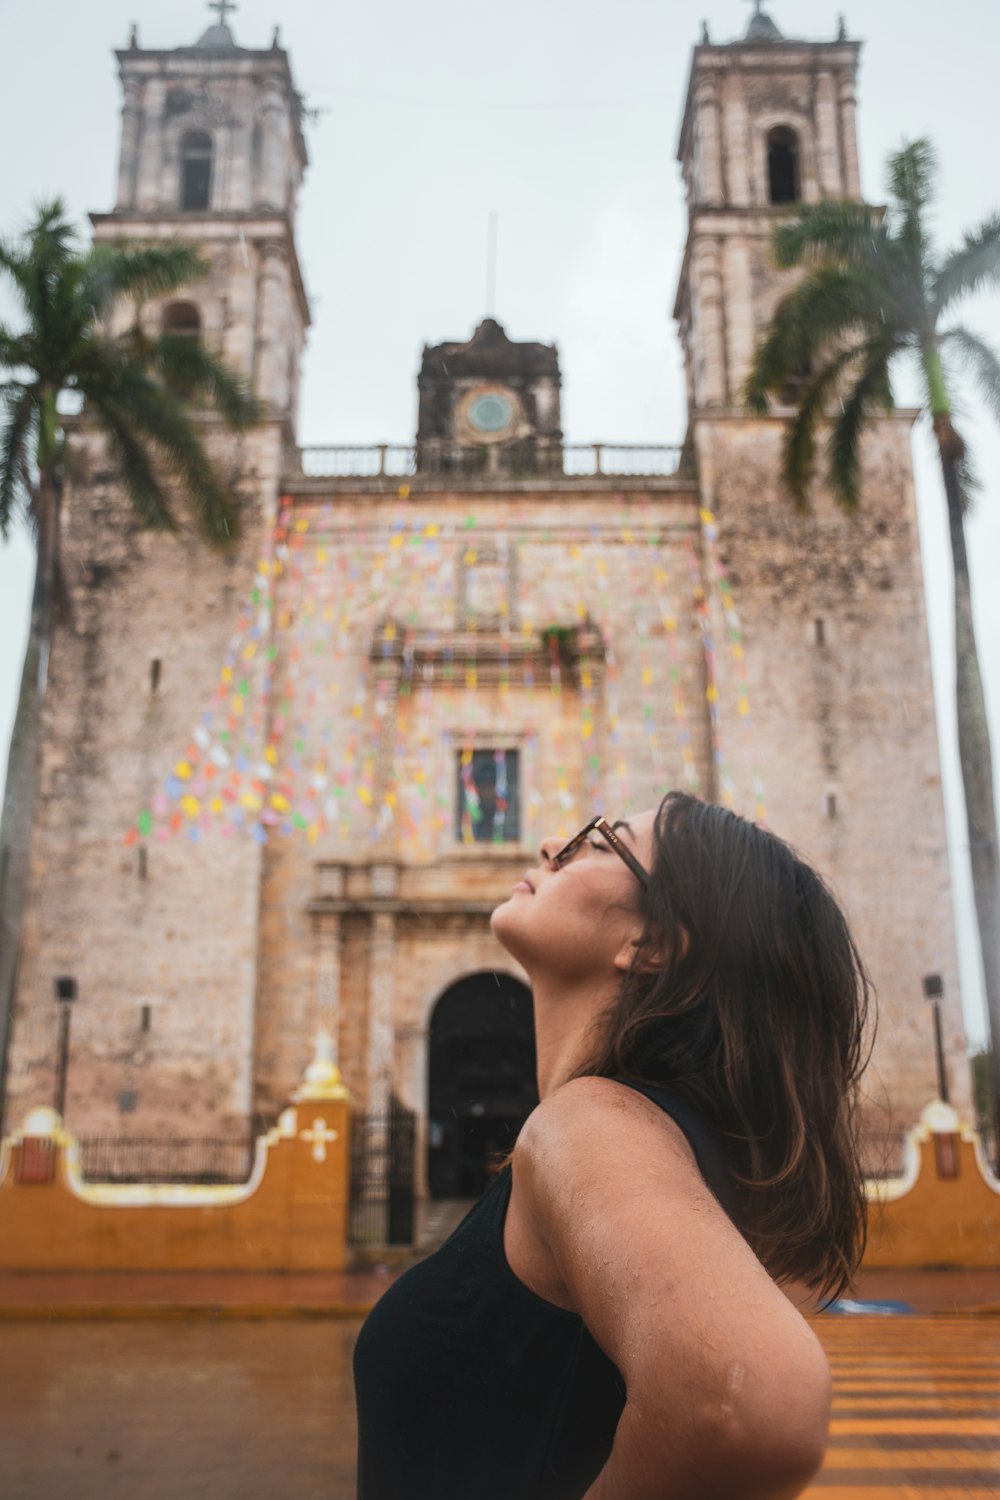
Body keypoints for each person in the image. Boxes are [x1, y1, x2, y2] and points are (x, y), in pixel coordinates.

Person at [353, 792, 873, 1499]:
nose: (548, 847)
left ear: (651, 943)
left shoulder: (591, 1123)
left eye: (597, 844)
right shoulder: (658, 1137)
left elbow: (748, 1405)